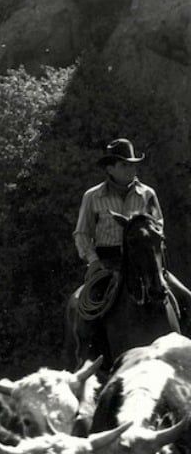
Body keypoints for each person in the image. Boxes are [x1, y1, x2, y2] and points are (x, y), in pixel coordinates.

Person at [72, 139, 191, 358]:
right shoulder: (93, 197)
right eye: (125, 164)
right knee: (83, 308)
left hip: (146, 260)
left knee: (186, 299)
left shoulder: (147, 194)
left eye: (133, 164)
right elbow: (82, 233)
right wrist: (94, 261)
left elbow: (159, 226)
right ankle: (86, 360)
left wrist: (148, 238)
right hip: (109, 263)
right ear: (110, 168)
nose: (131, 169)